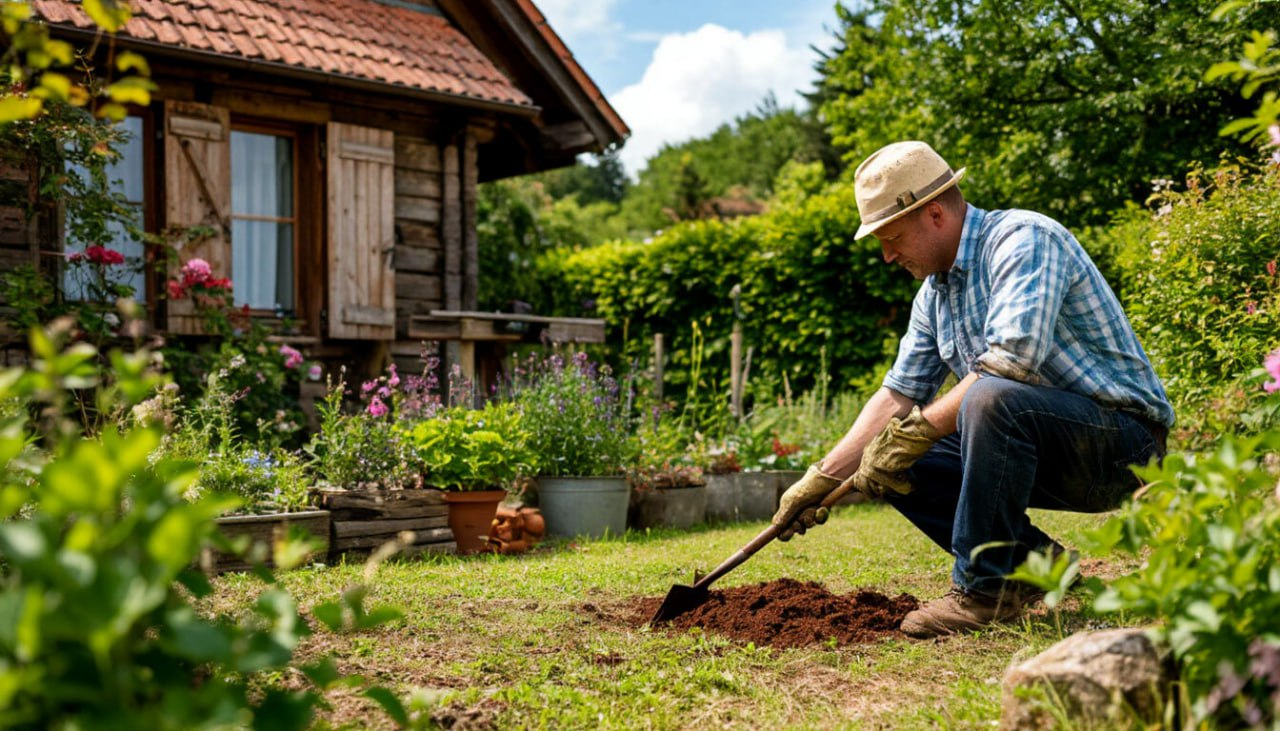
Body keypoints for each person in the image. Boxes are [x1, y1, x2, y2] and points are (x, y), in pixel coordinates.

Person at [772, 141, 1174, 638]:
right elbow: (899, 393)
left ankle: (985, 590)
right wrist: (822, 476)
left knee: (990, 395)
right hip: (1037, 448)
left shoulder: (1024, 239)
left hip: (1122, 449)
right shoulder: (934, 294)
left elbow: (1011, 363)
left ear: (935, 214)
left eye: (891, 237)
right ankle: (1034, 568)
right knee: (898, 455)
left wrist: (910, 434)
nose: (886, 255)